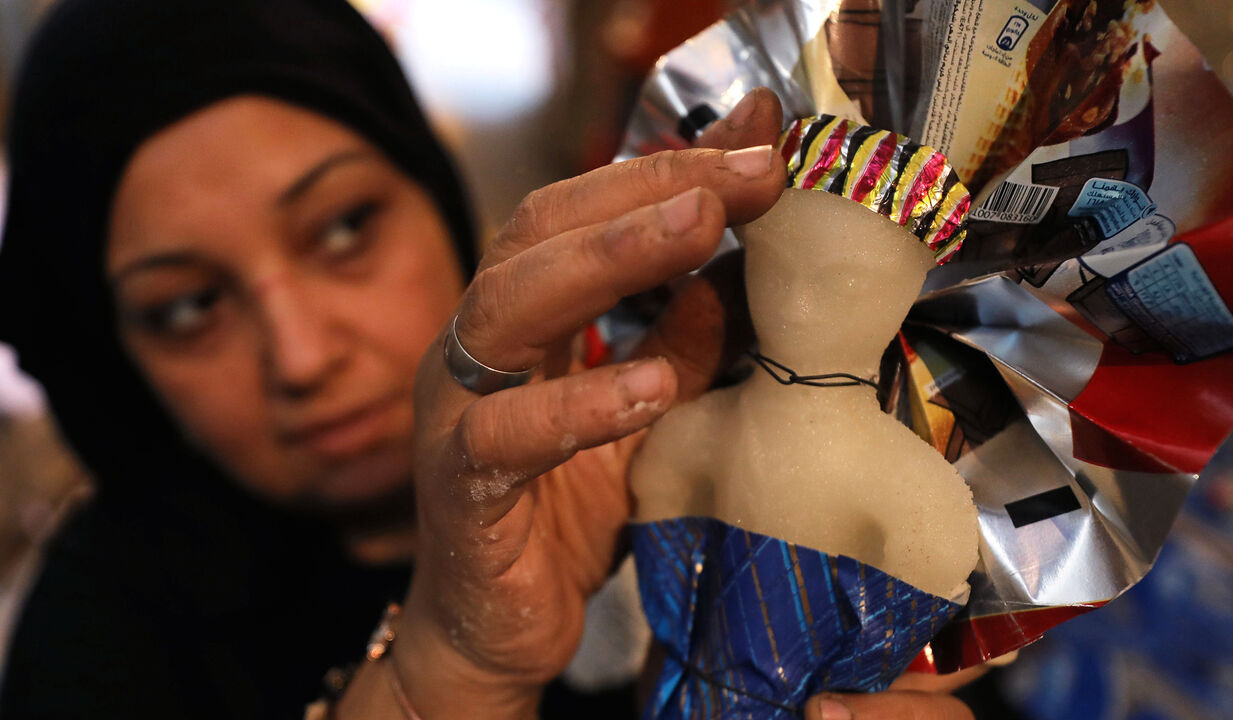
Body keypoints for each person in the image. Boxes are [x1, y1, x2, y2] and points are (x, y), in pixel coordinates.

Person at [0, 0, 981, 718]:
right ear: (110, 351)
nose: (300, 355)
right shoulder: (103, 635)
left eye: (343, 227)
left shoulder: (703, 451)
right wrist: (451, 674)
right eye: (188, 306)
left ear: (435, 195)